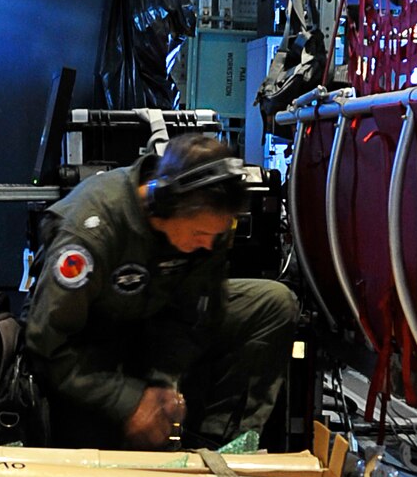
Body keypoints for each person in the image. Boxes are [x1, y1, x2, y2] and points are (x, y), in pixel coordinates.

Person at [24, 132, 299, 450]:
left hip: (154, 323)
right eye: (200, 233)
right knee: (110, 443)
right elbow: (47, 346)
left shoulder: (209, 221)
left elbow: (202, 309)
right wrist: (130, 400)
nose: (209, 244)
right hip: (90, 346)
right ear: (165, 204)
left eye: (217, 233)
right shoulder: (91, 234)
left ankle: (217, 445)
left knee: (272, 303)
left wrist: (164, 381)